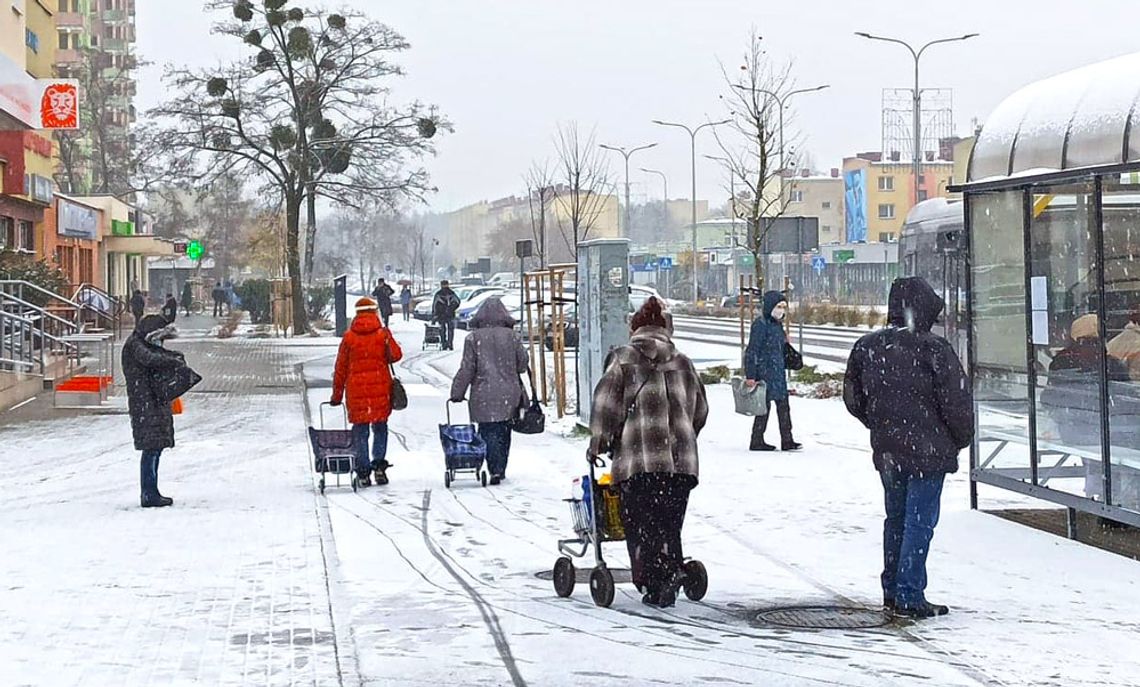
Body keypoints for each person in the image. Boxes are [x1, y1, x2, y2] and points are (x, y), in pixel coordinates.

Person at [843, 277, 973, 619]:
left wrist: (881, 424)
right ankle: (910, 593)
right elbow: (957, 403)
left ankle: (892, 587)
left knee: (896, 519)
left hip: (888, 451)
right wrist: (957, 438)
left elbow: (853, 398)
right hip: (929, 453)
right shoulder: (935, 349)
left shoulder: (867, 347)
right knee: (919, 522)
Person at [588, 297, 708, 608]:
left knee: (641, 525)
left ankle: (655, 582)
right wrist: (682, 435)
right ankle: (672, 566)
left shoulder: (623, 359)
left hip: (638, 462)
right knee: (669, 521)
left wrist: (598, 443)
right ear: (666, 329)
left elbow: (606, 407)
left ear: (635, 327)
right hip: (681, 465)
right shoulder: (683, 361)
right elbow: (701, 410)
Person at [122, 315, 201, 508]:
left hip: (152, 401)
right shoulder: (135, 345)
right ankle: (149, 493)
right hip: (145, 403)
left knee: (155, 447)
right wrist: (174, 359)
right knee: (151, 448)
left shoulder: (141, 343)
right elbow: (151, 359)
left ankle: (152, 491)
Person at [450, 297, 529, 485]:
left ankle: (492, 466)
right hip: (509, 392)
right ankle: (500, 467)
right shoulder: (513, 337)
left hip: (482, 393)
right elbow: (523, 365)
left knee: (487, 430)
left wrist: (457, 392)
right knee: (504, 430)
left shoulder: (473, 338)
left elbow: (467, 368)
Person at [331, 297, 404, 486]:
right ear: (374, 312)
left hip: (357, 391)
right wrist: (387, 339)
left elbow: (340, 368)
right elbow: (396, 356)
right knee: (380, 427)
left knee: (360, 431)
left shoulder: (349, 338)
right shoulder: (382, 335)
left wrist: (336, 395)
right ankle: (379, 466)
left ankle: (363, 472)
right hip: (381, 389)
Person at [744, 291, 801, 451]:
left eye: (784, 307)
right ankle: (756, 440)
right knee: (763, 408)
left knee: (783, 407)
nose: (781, 310)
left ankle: (787, 440)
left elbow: (779, 349)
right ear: (770, 307)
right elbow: (752, 351)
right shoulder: (760, 325)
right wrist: (751, 375)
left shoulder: (777, 325)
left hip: (777, 373)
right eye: (778, 306)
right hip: (764, 372)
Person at [432, 280, 461, 350]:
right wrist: (452, 308)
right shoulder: (452, 293)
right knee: (450, 329)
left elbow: (434, 305)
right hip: (450, 314)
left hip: (441, 314)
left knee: (442, 329)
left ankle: (444, 344)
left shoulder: (438, 294)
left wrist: (434, 314)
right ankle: (450, 343)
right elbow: (458, 302)